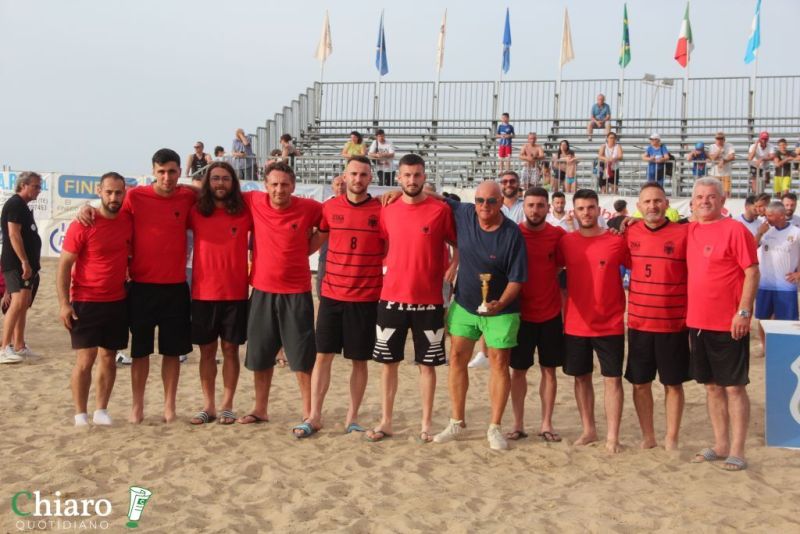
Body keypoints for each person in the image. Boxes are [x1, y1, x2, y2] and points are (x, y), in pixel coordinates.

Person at [78, 149, 197, 423]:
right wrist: (84, 206)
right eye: (161, 172)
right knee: (141, 351)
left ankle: (169, 407)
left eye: (172, 171)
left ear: (180, 172)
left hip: (176, 287)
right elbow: (109, 209)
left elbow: (208, 193)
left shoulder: (188, 196)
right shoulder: (135, 196)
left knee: (172, 352)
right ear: (153, 172)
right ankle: (137, 407)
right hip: (141, 288)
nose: (166, 177)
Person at [430, 180, 526, 450]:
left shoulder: (512, 234)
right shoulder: (465, 212)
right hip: (464, 304)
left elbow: (517, 280)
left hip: (502, 309)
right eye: (480, 201)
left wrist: (501, 302)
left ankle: (494, 427)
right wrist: (395, 191)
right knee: (457, 358)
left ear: (501, 203)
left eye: (492, 201)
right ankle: (457, 421)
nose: (485, 206)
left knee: (498, 362)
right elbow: (436, 196)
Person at [367, 154, 456, 443]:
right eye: (407, 175)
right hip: (391, 298)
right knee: (387, 364)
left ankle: (426, 424)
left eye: (417, 175)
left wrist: (455, 264)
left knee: (427, 366)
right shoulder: (387, 210)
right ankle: (386, 421)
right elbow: (380, 245)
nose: (412, 180)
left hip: (429, 300)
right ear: (398, 177)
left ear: (424, 176)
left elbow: (459, 242)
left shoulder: (440, 210)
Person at [239, 161, 322, 434]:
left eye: (284, 184)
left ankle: (309, 413)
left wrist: (305, 251)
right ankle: (260, 409)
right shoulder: (253, 201)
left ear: (294, 186)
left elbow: (328, 225)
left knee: (301, 358)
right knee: (261, 355)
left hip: (296, 292)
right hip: (262, 290)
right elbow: (214, 191)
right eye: (274, 184)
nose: (279, 189)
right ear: (265, 185)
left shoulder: (310, 208)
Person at [303, 157, 383, 436]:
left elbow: (388, 249)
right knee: (323, 356)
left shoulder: (381, 210)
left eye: (363, 174)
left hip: (365, 296)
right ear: (344, 177)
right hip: (332, 294)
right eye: (353, 174)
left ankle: (352, 418)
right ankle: (314, 415)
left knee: (359, 360)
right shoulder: (329, 208)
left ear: (370, 178)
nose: (358, 179)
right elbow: (314, 244)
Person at [687, 177, 759, 472]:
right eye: (700, 196)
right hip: (697, 322)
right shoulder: (690, 230)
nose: (705, 201)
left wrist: (743, 312)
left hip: (730, 324)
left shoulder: (735, 230)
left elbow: (752, 273)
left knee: (734, 388)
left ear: (722, 199)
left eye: (711, 196)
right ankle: (720, 444)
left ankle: (738, 450)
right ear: (692, 202)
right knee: (712, 387)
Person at [557, 188, 629, 453]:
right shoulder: (566, 242)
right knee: (581, 378)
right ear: (573, 212)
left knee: (612, 379)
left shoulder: (616, 240)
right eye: (581, 208)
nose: (586, 213)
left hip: (610, 322)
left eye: (590, 208)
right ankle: (589, 429)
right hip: (576, 322)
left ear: (599, 210)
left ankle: (613, 436)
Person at [57, 172, 131, 425]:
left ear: (125, 193)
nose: (113, 197)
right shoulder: (83, 223)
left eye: (118, 192)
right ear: (99, 191)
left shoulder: (127, 220)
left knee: (109, 357)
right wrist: (64, 304)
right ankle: (80, 413)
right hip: (85, 300)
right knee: (85, 359)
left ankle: (101, 410)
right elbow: (65, 265)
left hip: (117, 300)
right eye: (109, 192)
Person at [625, 183, 690, 450]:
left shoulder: (684, 233)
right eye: (647, 202)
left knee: (672, 384)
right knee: (640, 384)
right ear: (639, 207)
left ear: (667, 204)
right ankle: (648, 436)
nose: (653, 206)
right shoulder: (628, 233)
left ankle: (671, 437)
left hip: (673, 323)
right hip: (639, 322)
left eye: (657, 201)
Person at [187, 161, 252, 426]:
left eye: (225, 179)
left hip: (235, 292)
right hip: (203, 293)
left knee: (230, 350)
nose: (220, 184)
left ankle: (227, 405)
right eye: (215, 178)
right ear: (207, 182)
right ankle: (209, 405)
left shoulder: (245, 210)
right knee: (206, 352)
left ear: (233, 183)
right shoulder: (195, 210)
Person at [507, 187, 566, 443]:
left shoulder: (558, 236)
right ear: (524, 206)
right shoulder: (513, 234)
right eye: (531, 205)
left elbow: (564, 267)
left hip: (550, 314)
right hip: (520, 316)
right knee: (518, 371)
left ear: (548, 207)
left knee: (549, 371)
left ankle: (546, 423)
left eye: (540, 205)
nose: (535, 210)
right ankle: (518, 423)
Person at [0, 172, 43, 364]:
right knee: (17, 303)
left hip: (26, 265)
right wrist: (24, 261)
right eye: (35, 186)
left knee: (23, 305)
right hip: (16, 264)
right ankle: (4, 348)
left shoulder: (23, 207)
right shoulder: (16, 204)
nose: (38, 190)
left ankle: (19, 345)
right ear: (23, 185)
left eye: (40, 186)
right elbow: (13, 235)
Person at [753, 201, 800, 353]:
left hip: (786, 286)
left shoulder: (796, 232)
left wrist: (799, 273)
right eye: (766, 215)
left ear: (781, 215)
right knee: (763, 319)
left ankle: (786, 351)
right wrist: (759, 233)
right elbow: (750, 249)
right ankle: (766, 349)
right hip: (765, 284)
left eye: (770, 215)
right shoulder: (765, 230)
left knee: (787, 322)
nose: (767, 218)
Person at [708, 131, 736, 197]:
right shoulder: (712, 146)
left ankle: (726, 206)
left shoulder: (729, 145)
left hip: (726, 173)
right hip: (714, 173)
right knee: (713, 192)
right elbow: (712, 158)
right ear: (715, 139)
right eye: (718, 139)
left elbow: (732, 157)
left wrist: (724, 161)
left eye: (721, 139)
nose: (719, 140)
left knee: (727, 193)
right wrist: (719, 150)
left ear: (724, 139)